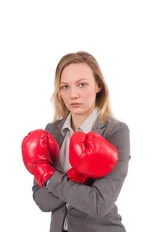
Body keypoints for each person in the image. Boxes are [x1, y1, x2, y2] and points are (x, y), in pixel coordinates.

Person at [21, 51, 130, 232]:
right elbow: (41, 200)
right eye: (65, 87)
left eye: (82, 84)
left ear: (98, 86)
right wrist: (77, 183)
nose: (73, 94)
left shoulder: (115, 131)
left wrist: (48, 177)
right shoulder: (52, 131)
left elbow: (98, 204)